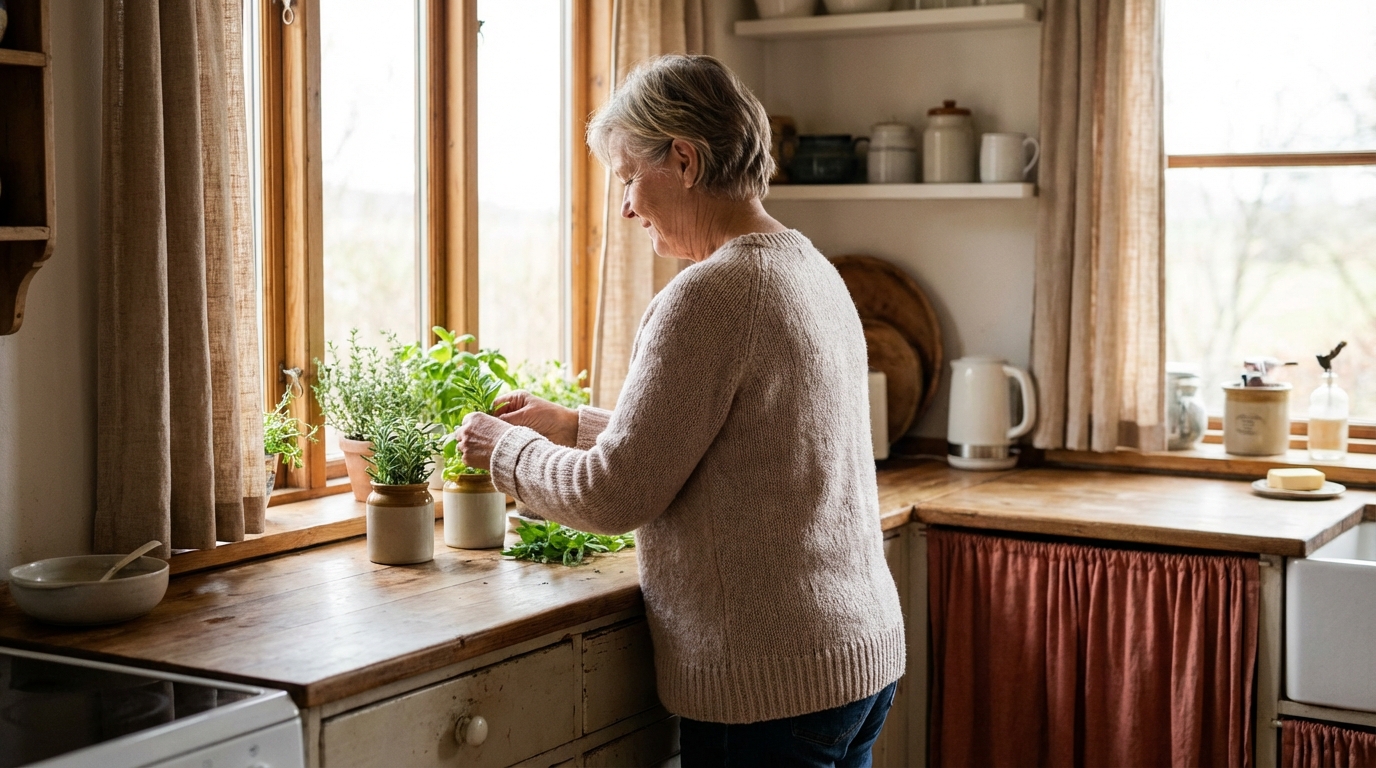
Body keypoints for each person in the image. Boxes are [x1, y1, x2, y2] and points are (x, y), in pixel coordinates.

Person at [456, 54, 904, 768]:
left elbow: (614, 494)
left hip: (769, 685)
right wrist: (573, 426)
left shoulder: (709, 294)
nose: (627, 206)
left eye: (630, 176)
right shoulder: (808, 266)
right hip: (854, 656)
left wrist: (500, 450)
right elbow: (753, 440)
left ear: (686, 160)